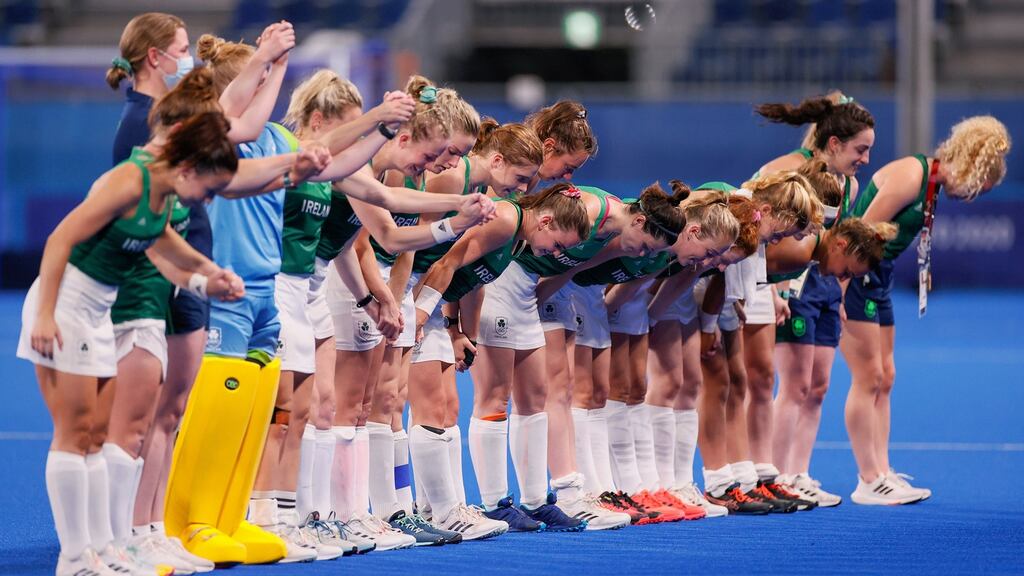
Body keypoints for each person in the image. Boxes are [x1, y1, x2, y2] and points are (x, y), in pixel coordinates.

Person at [17, 112, 242, 576]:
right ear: (187, 170)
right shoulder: (129, 182)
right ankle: (74, 557)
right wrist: (44, 314)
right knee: (75, 432)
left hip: (98, 310)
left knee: (99, 437)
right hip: (66, 307)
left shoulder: (163, 197)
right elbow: (60, 239)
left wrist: (209, 276)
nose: (208, 199)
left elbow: (162, 245)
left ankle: (103, 550)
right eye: (209, 188)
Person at [842, 116, 1010, 504]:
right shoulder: (911, 175)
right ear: (972, 167)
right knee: (867, 378)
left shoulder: (931, 188)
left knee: (886, 376)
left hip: (878, 278)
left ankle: (883, 471)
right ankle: (867, 478)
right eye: (977, 189)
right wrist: (836, 293)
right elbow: (855, 236)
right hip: (855, 276)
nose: (972, 198)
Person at [405, 119, 544, 538]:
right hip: (407, 294)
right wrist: (413, 310)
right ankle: (422, 511)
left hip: (423, 298)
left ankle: (440, 508)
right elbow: (415, 250)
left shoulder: (484, 198)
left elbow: (467, 275)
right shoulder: (455, 182)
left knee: (447, 407)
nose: (521, 189)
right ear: (496, 160)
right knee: (396, 407)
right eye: (520, 178)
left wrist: (456, 328)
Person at [752, 93, 875, 507]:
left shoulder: (851, 184)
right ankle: (773, 474)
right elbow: (750, 222)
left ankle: (799, 473)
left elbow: (837, 244)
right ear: (835, 143)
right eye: (861, 149)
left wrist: (840, 297)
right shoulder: (786, 170)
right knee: (795, 384)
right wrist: (767, 287)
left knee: (818, 386)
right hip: (790, 283)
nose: (865, 159)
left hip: (822, 286)